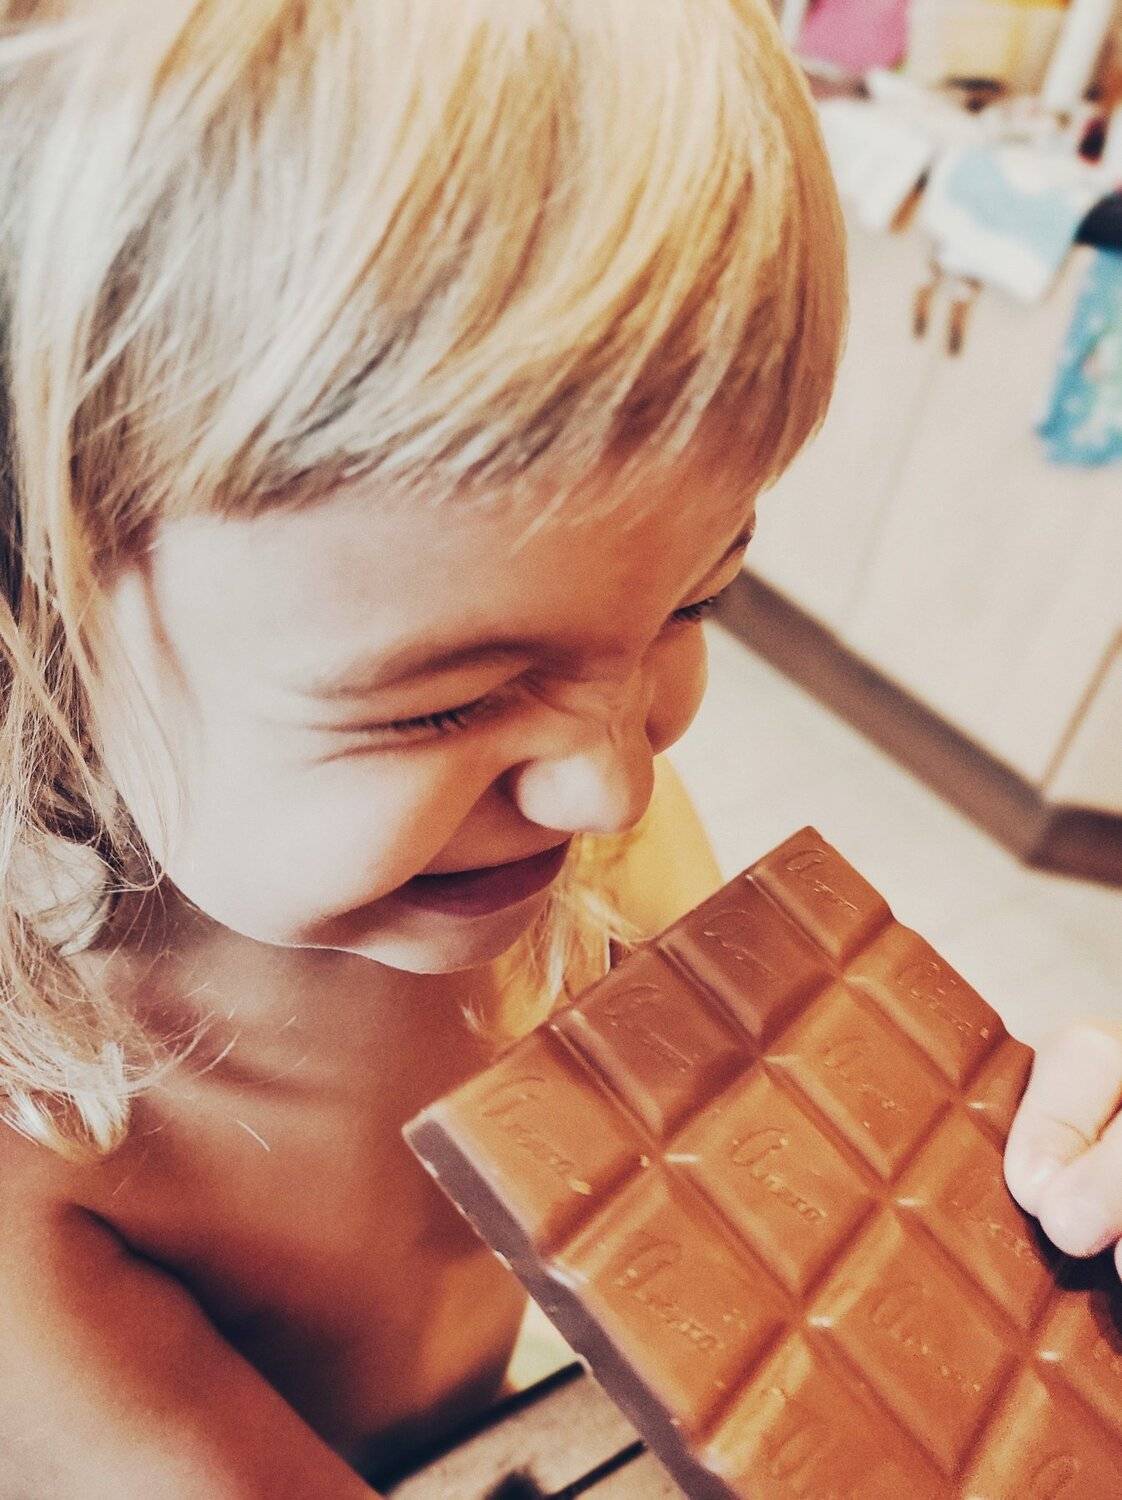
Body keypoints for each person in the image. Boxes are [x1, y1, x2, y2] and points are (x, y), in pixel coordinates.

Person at [0, 1, 844, 1492]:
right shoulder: (42, 1153)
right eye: (441, 705)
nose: (614, 786)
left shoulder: (588, 851)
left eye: (693, 601)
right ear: (38, 620)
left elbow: (821, 1217)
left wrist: (1037, 1202)